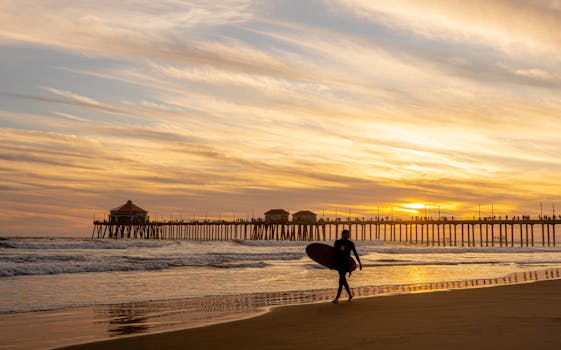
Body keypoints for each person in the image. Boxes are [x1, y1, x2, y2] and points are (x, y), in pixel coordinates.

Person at [332, 229, 362, 303]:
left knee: (341, 279)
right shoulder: (338, 242)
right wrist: (331, 264)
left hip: (346, 263)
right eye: (347, 234)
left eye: (349, 234)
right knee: (342, 280)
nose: (348, 235)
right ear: (343, 234)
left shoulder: (350, 243)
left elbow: (355, 253)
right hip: (339, 263)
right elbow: (333, 253)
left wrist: (359, 263)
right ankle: (350, 295)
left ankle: (337, 298)